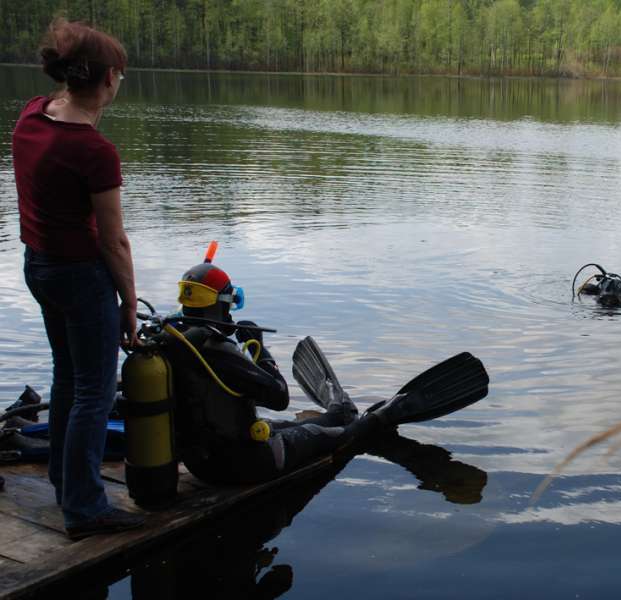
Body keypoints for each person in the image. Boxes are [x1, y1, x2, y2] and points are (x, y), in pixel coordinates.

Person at [155, 259, 490, 486]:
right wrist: (259, 346)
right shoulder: (218, 351)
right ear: (223, 303)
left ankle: (340, 409)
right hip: (243, 465)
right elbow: (279, 396)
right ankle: (381, 415)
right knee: (340, 434)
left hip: (203, 461)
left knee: (316, 421)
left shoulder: (167, 341)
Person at [12, 19, 145, 539]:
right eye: (120, 75)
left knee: (68, 376)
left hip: (38, 266)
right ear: (108, 78)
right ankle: (86, 510)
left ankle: (65, 481)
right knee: (94, 389)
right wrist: (129, 303)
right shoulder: (94, 151)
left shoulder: (30, 116)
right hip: (81, 276)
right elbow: (113, 241)